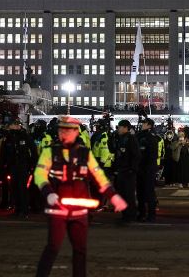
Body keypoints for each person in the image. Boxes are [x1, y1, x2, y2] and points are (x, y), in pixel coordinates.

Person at [33, 116, 127, 277]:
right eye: (61, 130)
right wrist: (48, 193)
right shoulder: (50, 152)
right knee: (53, 247)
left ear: (76, 132)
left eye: (68, 130)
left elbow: (100, 178)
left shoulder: (85, 154)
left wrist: (113, 196)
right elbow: (39, 174)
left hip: (79, 211)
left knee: (80, 249)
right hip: (57, 210)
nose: (64, 133)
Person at [3, 119, 36, 218]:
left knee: (22, 188)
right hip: (13, 166)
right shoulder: (8, 137)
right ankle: (17, 209)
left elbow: (33, 150)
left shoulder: (25, 136)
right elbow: (5, 152)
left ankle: (24, 210)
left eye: (12, 125)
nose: (10, 127)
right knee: (14, 188)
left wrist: (33, 164)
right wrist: (5, 164)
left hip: (23, 165)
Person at [112, 119, 140, 223]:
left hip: (128, 171)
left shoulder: (131, 139)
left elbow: (136, 155)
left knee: (129, 194)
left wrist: (132, 169)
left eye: (119, 127)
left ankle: (130, 215)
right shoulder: (120, 138)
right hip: (121, 170)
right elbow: (115, 152)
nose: (118, 129)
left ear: (125, 128)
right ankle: (125, 214)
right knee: (122, 194)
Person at [135, 118, 159, 222]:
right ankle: (141, 213)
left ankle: (151, 214)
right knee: (140, 192)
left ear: (149, 125)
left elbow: (152, 155)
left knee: (149, 192)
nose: (142, 125)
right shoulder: (139, 135)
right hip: (140, 167)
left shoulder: (151, 137)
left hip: (148, 168)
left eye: (144, 123)